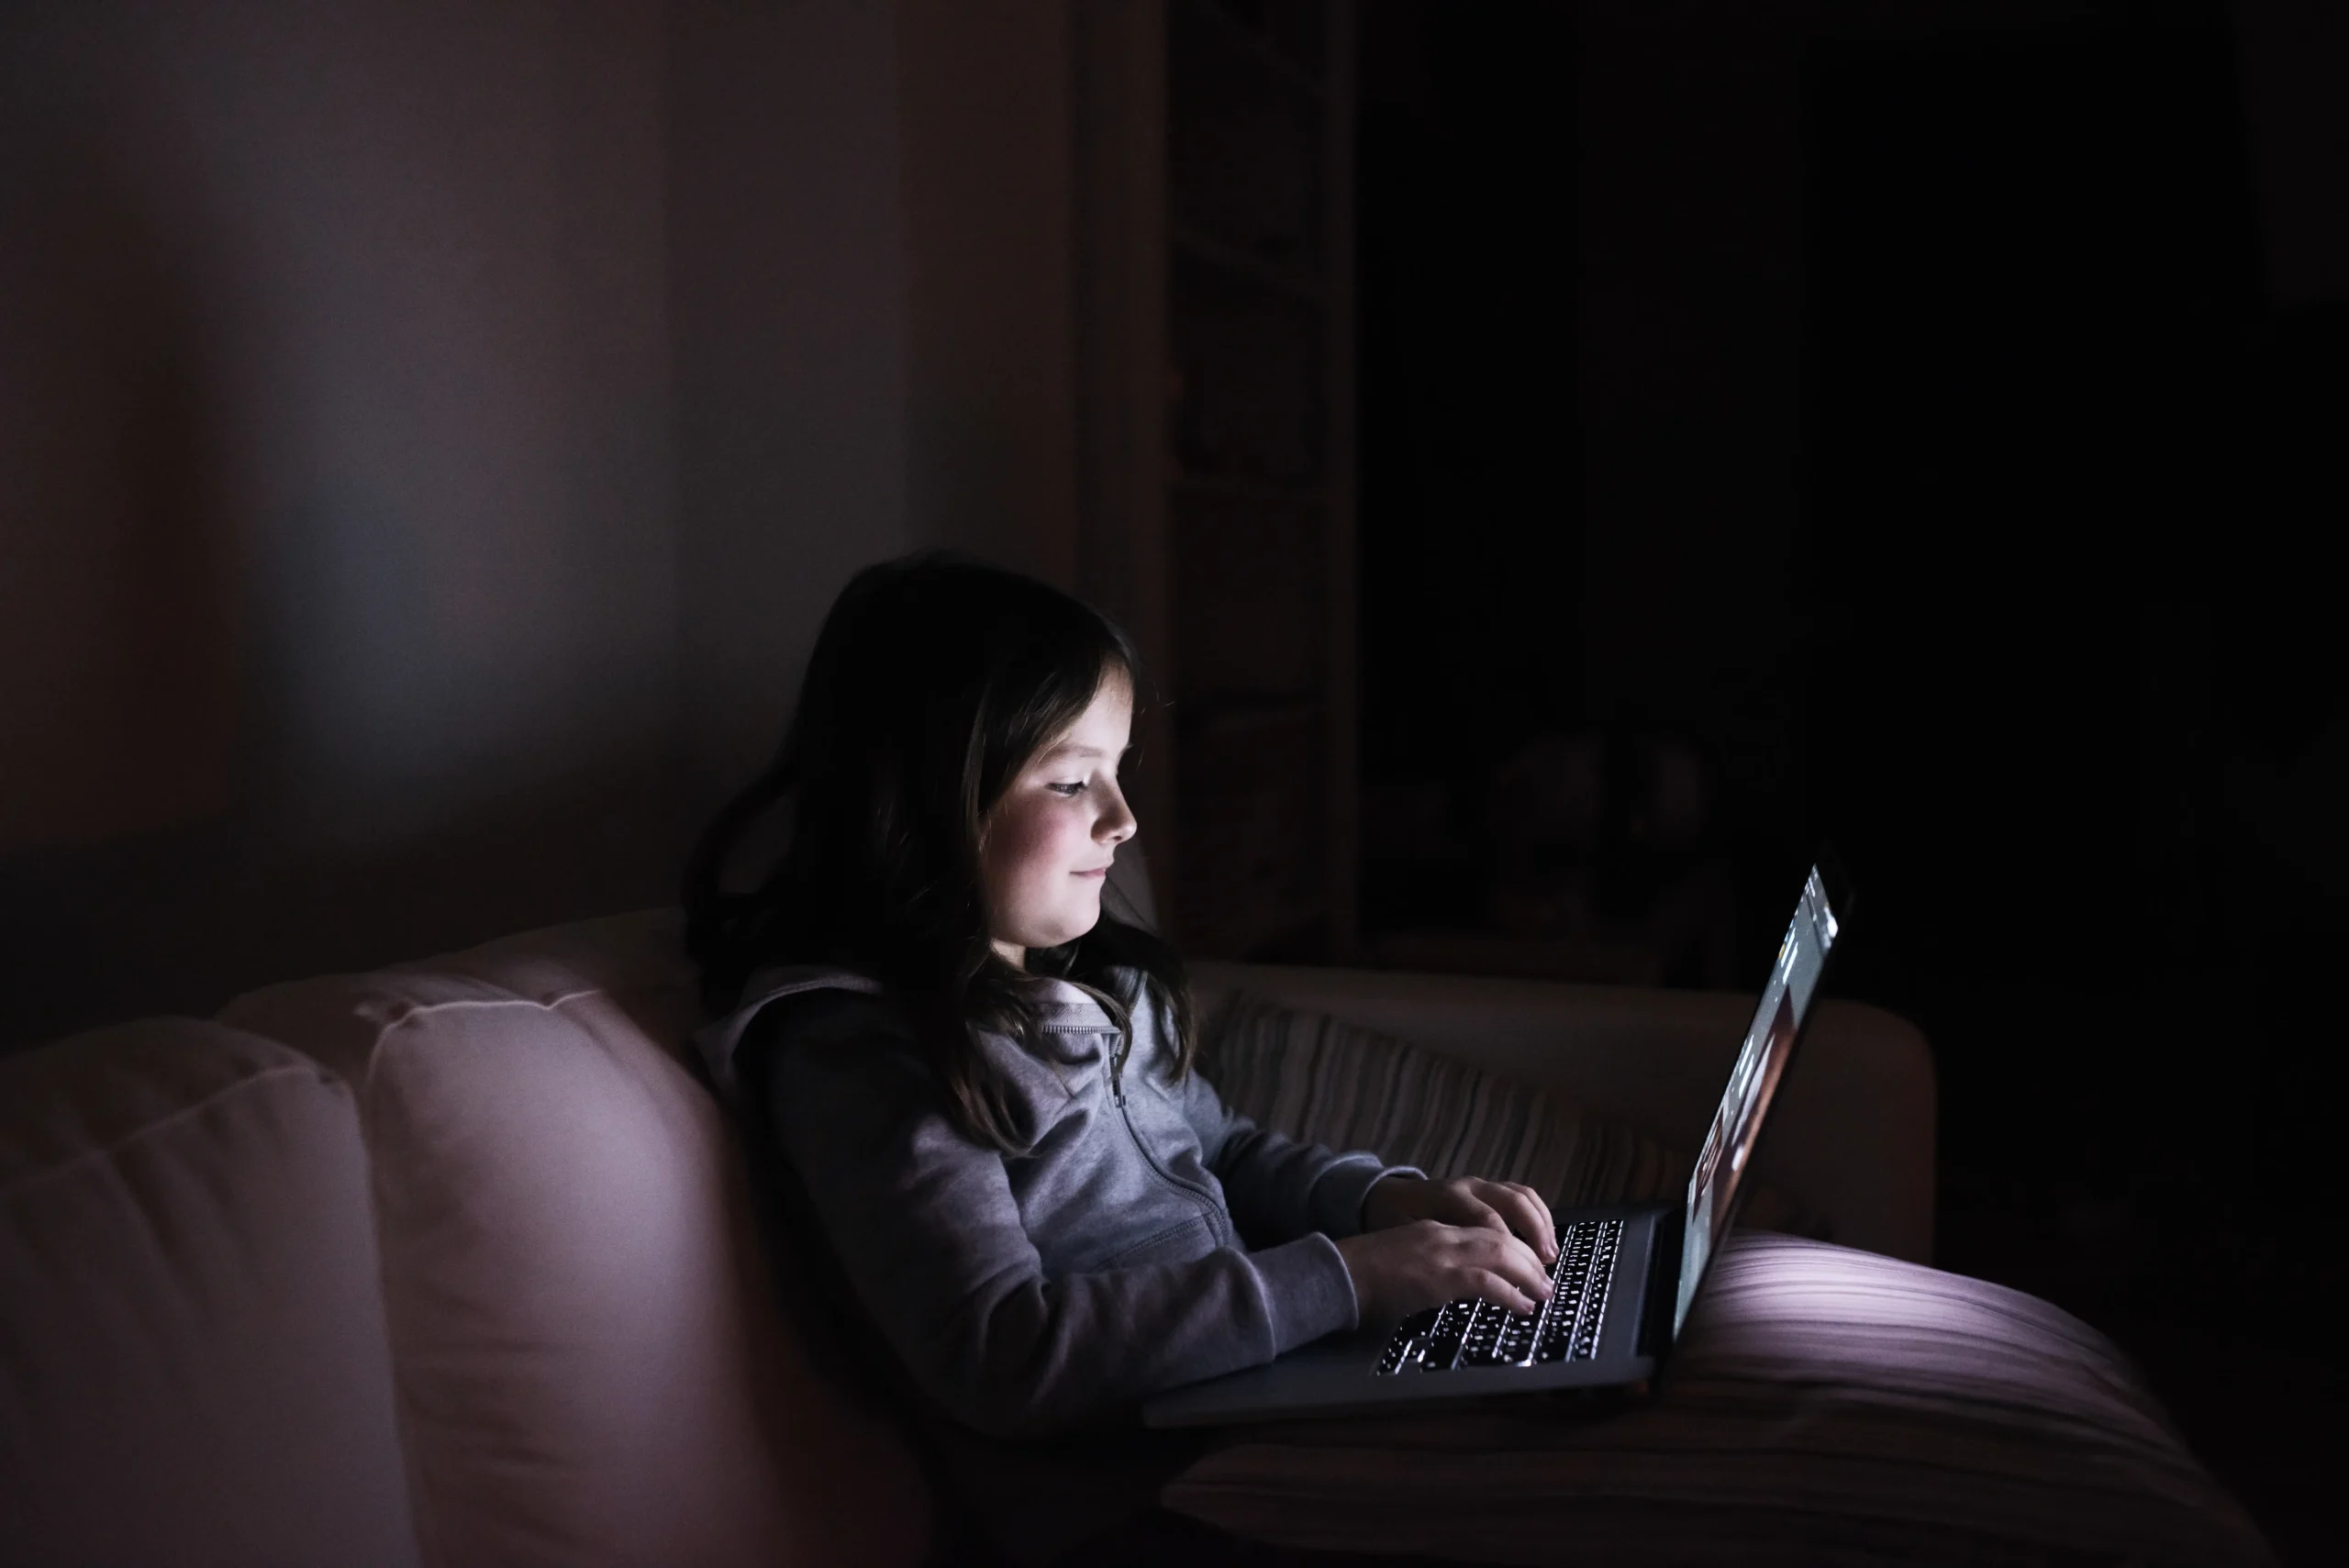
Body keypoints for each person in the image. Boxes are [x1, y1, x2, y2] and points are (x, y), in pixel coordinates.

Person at [683, 554, 1560, 1562]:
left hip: (1264, 1410)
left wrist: (1384, 1206)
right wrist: (1352, 1280)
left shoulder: (1094, 979)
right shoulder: (865, 1050)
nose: (1122, 817)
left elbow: (1223, 1148)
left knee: (1584, 1401)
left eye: (1118, 768)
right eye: (1071, 778)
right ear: (924, 795)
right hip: (1145, 1510)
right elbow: (1002, 1349)